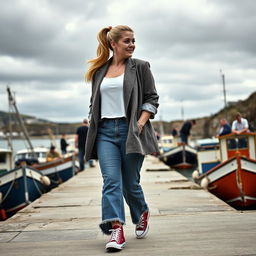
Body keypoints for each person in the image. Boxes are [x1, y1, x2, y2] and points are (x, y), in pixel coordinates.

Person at [84, 25, 159, 252]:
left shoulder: (141, 67)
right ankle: (116, 230)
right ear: (113, 44)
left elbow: (152, 98)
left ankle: (141, 212)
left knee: (130, 184)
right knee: (111, 182)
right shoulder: (99, 72)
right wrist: (92, 119)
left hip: (132, 131)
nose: (132, 45)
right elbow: (93, 103)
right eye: (127, 41)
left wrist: (139, 123)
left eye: (133, 41)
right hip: (105, 132)